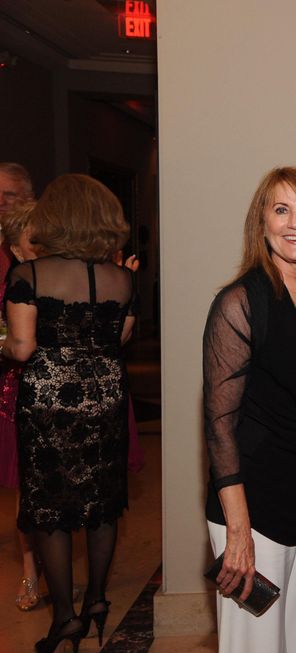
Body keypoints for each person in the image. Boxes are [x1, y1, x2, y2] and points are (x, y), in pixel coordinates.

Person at [202, 166, 296, 653]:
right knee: (255, 645)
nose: (295, 223)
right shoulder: (240, 302)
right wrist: (238, 534)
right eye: (281, 209)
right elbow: (220, 428)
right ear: (261, 222)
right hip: (255, 510)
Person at [3, 174, 136, 652]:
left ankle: (64, 619)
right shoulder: (122, 278)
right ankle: (97, 602)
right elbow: (118, 339)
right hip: (105, 400)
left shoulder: (28, 276)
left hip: (49, 407)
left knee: (51, 512)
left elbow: (21, 349)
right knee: (102, 505)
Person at [0, 197, 43, 613]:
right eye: (35, 241)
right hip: (20, 392)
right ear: (16, 248)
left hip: (61, 395)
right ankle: (30, 569)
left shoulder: (59, 275)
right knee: (28, 489)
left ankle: (58, 566)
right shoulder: (14, 282)